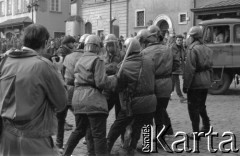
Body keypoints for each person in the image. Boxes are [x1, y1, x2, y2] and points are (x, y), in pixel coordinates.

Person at [0, 24, 68, 156]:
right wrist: (58, 72)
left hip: (7, 137)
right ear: (46, 42)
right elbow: (61, 103)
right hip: (34, 138)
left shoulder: (4, 61)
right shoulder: (43, 65)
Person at [62, 35, 117, 156]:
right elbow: (101, 82)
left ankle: (65, 154)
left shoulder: (79, 59)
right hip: (93, 99)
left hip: (78, 98)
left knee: (79, 130)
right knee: (98, 135)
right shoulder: (97, 60)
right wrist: (113, 79)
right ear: (97, 47)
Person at [107, 38, 157, 155]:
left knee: (118, 125)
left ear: (126, 48)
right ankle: (143, 146)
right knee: (145, 123)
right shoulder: (150, 61)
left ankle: (106, 147)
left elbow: (118, 87)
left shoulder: (124, 66)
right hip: (150, 100)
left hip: (133, 102)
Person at [183, 26, 213, 138]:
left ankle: (195, 133)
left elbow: (189, 70)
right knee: (201, 106)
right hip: (205, 81)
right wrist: (210, 79)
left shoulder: (192, 49)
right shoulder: (207, 48)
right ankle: (206, 126)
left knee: (193, 108)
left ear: (192, 37)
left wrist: (186, 86)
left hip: (195, 83)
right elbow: (211, 67)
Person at [55, 35, 76, 151]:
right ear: (68, 43)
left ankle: (59, 145)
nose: (74, 44)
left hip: (64, 86)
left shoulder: (64, 51)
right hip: (66, 85)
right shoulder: (63, 52)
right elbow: (62, 69)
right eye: (72, 43)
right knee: (77, 115)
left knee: (61, 118)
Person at [171, 34, 187, 103]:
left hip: (179, 67)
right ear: (176, 40)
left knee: (172, 83)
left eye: (180, 40)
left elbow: (184, 56)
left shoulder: (182, 47)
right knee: (177, 82)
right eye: (178, 40)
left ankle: (167, 95)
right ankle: (180, 96)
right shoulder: (172, 47)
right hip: (173, 67)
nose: (179, 41)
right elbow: (172, 57)